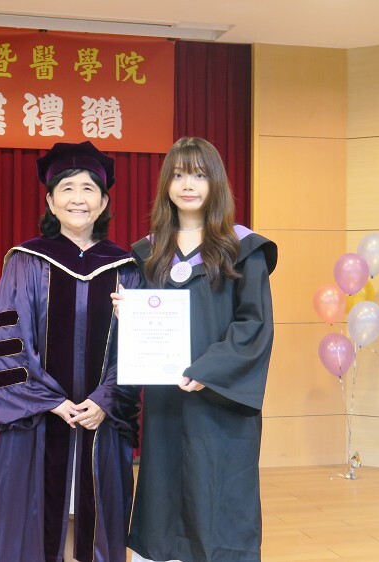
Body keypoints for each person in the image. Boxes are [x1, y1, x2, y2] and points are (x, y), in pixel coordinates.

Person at [0, 141, 141, 562]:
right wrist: (51, 401)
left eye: (89, 188)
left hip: (101, 423)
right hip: (37, 422)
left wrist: (105, 399)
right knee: (33, 522)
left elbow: (137, 348)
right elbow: (9, 344)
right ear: (51, 202)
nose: (77, 198)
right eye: (66, 188)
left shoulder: (126, 268)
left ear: (103, 202)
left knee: (96, 521)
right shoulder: (26, 261)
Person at [124, 137, 277, 562]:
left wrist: (206, 370)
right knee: (165, 495)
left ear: (216, 183)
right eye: (178, 175)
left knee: (219, 494)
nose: (187, 185)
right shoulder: (149, 252)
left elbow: (254, 324)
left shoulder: (242, 249)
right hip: (167, 402)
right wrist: (128, 313)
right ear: (166, 184)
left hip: (220, 402)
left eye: (198, 175)